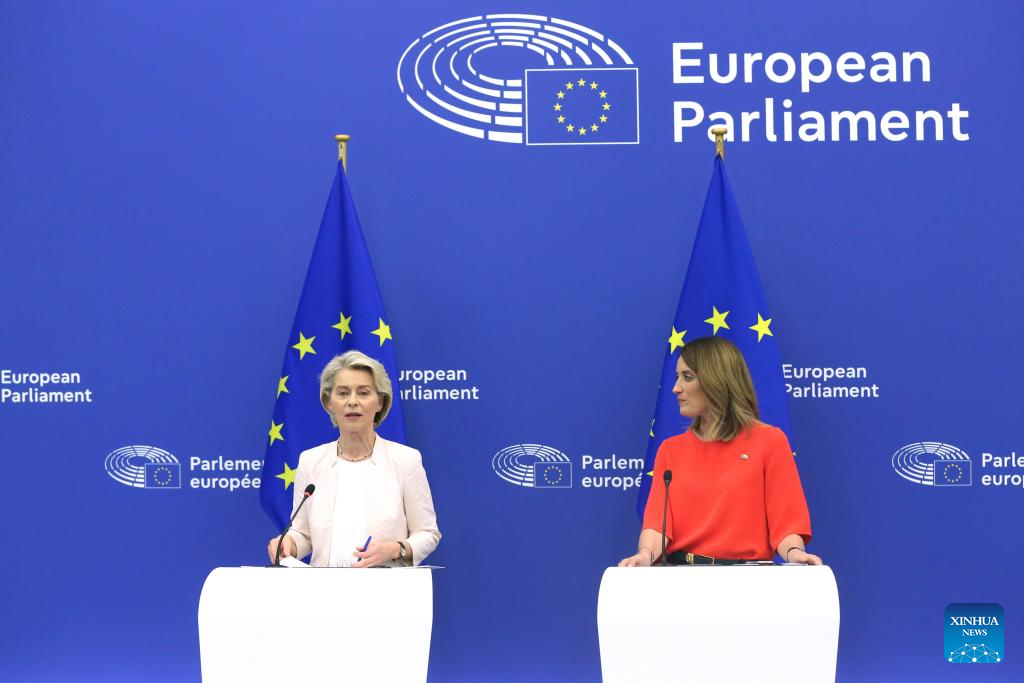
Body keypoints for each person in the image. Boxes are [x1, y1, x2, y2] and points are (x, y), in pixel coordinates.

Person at [619, 336, 821, 567]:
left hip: (748, 579)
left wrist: (795, 553)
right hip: (682, 577)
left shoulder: (770, 442)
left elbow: (786, 524)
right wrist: (645, 554)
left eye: (687, 377)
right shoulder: (670, 449)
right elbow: (657, 526)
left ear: (716, 380)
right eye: (677, 377)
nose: (676, 388)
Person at [266, 350, 441, 567]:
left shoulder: (405, 460)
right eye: (342, 393)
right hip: (324, 586)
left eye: (363, 393)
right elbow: (303, 534)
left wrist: (394, 549)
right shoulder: (311, 461)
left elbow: (428, 533)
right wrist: (288, 543)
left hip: (385, 585)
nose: (352, 402)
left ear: (380, 402)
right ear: (329, 403)